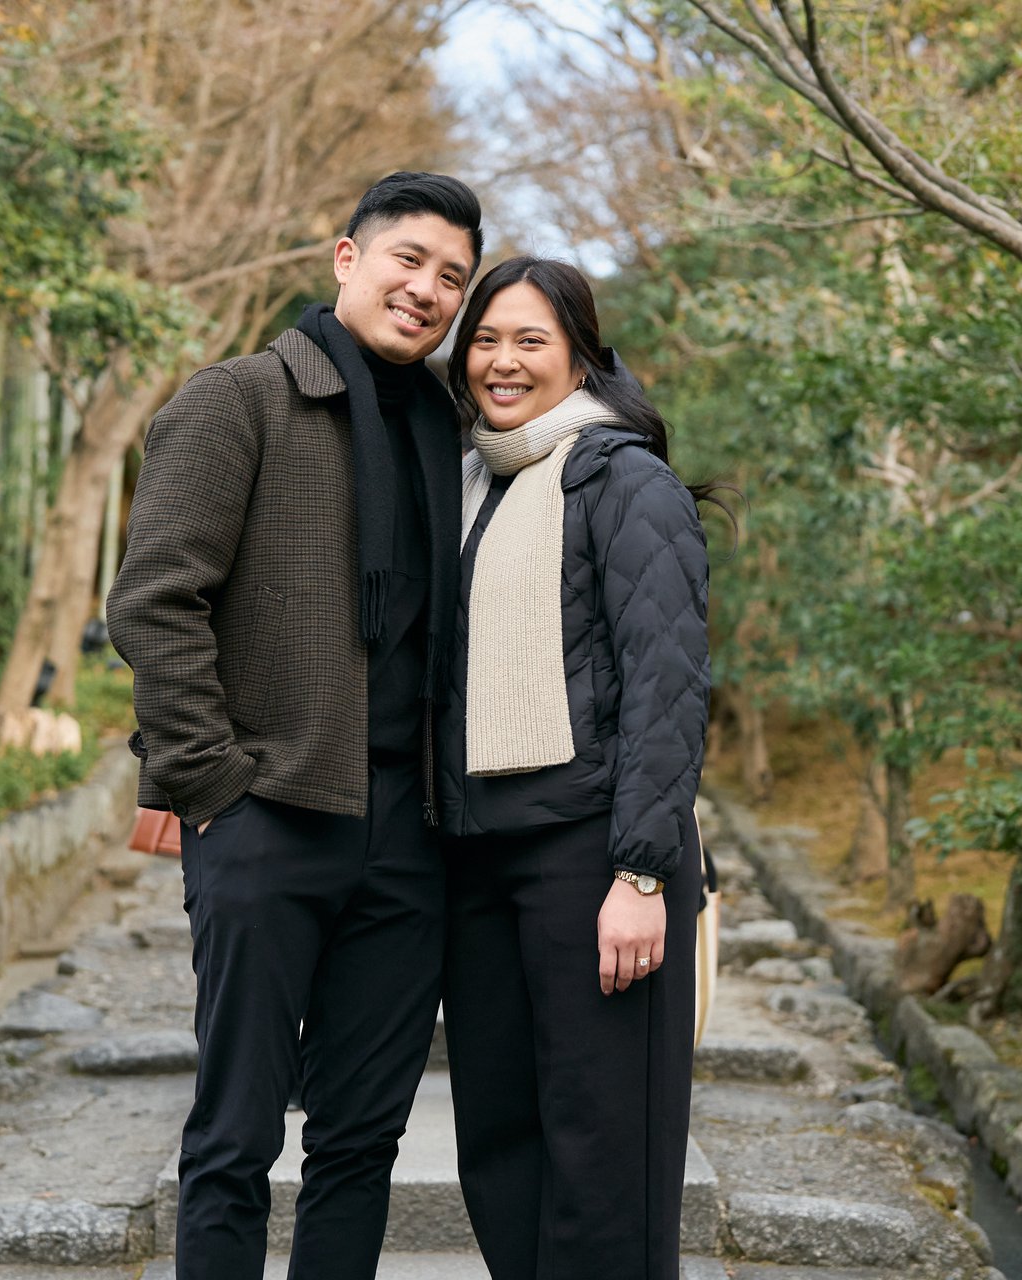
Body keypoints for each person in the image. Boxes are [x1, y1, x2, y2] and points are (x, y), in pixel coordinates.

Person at [106, 172, 482, 1280]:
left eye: (452, 277)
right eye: (409, 259)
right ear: (347, 258)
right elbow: (153, 600)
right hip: (268, 814)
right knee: (234, 1137)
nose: (427, 290)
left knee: (361, 1142)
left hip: (408, 835)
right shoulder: (241, 399)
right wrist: (213, 786)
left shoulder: (451, 430)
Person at [436, 256, 714, 1280]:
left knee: (605, 1154)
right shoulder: (469, 480)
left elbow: (666, 683)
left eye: (531, 340)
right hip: (479, 857)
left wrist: (641, 874)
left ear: (581, 357)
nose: (502, 362)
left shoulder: (626, 482)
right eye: (485, 340)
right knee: (498, 1145)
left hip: (593, 855)